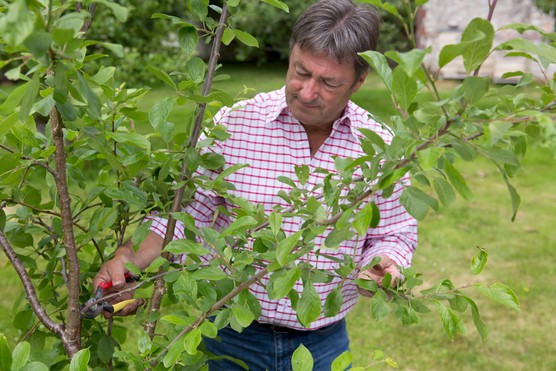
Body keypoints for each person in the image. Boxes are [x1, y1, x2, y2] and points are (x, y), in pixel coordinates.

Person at [93, 0, 417, 369]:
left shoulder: (380, 146)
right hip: (228, 334)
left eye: (328, 83)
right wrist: (127, 260)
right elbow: (183, 215)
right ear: (291, 56)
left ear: (359, 81)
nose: (308, 92)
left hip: (323, 343)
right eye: (300, 72)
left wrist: (383, 264)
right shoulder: (233, 125)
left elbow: (395, 231)